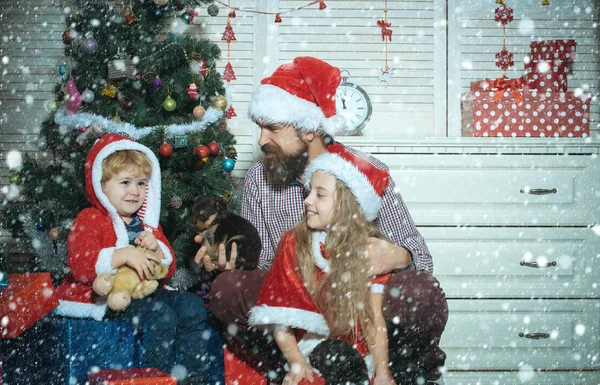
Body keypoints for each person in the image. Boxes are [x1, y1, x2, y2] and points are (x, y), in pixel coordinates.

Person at [200, 57, 448, 385]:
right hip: (294, 299)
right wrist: (228, 256)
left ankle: (392, 374)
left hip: (357, 300)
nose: (261, 140)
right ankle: (295, 369)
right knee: (226, 290)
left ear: (308, 129)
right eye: (260, 128)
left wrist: (397, 255)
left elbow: (422, 259)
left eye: (272, 128)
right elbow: (258, 264)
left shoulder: (367, 174)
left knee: (420, 292)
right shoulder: (260, 176)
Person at [55, 133, 212, 385]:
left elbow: (169, 269)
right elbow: (80, 265)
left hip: (147, 292)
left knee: (192, 305)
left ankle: (192, 375)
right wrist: (122, 254)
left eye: (141, 183)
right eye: (125, 182)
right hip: (111, 298)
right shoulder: (90, 218)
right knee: (162, 317)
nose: (134, 191)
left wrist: (159, 250)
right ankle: (154, 378)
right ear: (101, 185)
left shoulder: (147, 223)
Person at [249, 144, 398, 385]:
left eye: (319, 195)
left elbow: (373, 321)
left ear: (346, 205)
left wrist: (382, 372)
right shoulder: (293, 243)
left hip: (358, 349)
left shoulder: (368, 251)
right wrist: (297, 362)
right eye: (309, 192)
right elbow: (280, 317)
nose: (306, 200)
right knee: (329, 364)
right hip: (311, 347)